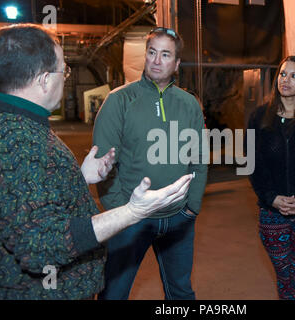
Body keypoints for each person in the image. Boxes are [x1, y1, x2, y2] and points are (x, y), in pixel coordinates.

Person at [0, 24, 192, 300]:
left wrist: (78, 177)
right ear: (44, 79)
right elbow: (41, 247)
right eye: (65, 70)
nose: (65, 78)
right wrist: (132, 212)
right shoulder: (17, 142)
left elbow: (31, 197)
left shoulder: (20, 126)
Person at [93, 27, 208, 300]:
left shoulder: (189, 104)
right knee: (114, 293)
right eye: (152, 52)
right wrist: (122, 211)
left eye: (165, 54)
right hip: (132, 219)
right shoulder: (119, 101)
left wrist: (192, 206)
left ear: (177, 64)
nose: (156, 60)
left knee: (181, 292)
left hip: (178, 218)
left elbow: (198, 158)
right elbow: (103, 165)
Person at [246, 56, 295, 300]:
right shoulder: (258, 118)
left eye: (294, 75)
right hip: (272, 213)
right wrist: (271, 198)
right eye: (282, 74)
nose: (285, 80)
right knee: (284, 275)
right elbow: (251, 164)